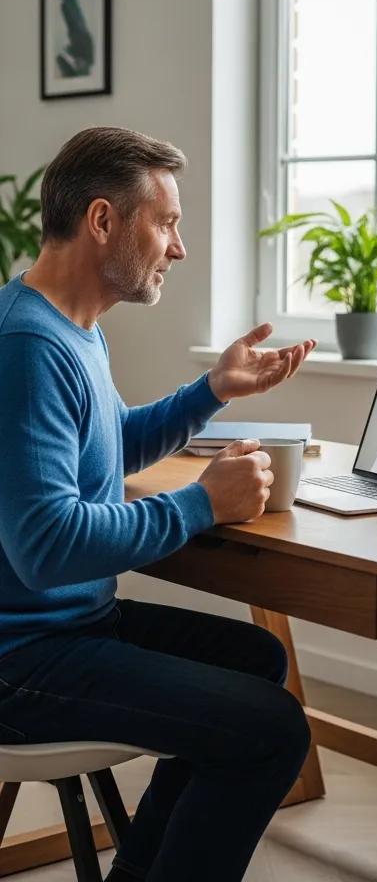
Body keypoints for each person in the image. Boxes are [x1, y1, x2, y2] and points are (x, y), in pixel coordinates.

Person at [0, 126, 319, 882]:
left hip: (68, 628)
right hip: (21, 658)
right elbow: (45, 545)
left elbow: (110, 444)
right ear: (104, 221)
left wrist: (212, 391)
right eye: (167, 222)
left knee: (259, 657)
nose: (178, 247)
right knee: (272, 731)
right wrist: (200, 505)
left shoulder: (73, 329)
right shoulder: (29, 347)